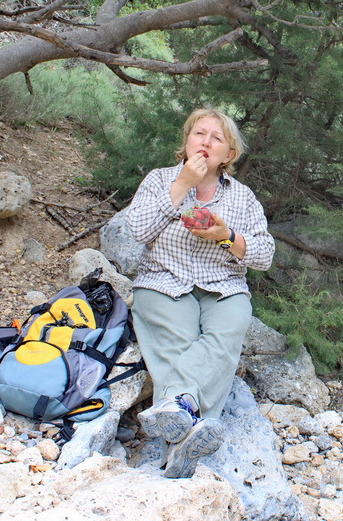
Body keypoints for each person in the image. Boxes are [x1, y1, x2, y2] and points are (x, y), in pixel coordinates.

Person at [125, 108, 275, 478]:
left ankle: (179, 413)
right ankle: (188, 433)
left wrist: (227, 237)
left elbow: (265, 255)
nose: (206, 142)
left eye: (216, 138)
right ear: (187, 141)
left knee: (228, 332)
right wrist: (180, 187)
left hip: (223, 286)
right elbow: (137, 229)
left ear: (229, 155)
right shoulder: (160, 180)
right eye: (199, 134)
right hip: (164, 280)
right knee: (180, 339)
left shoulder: (243, 198)